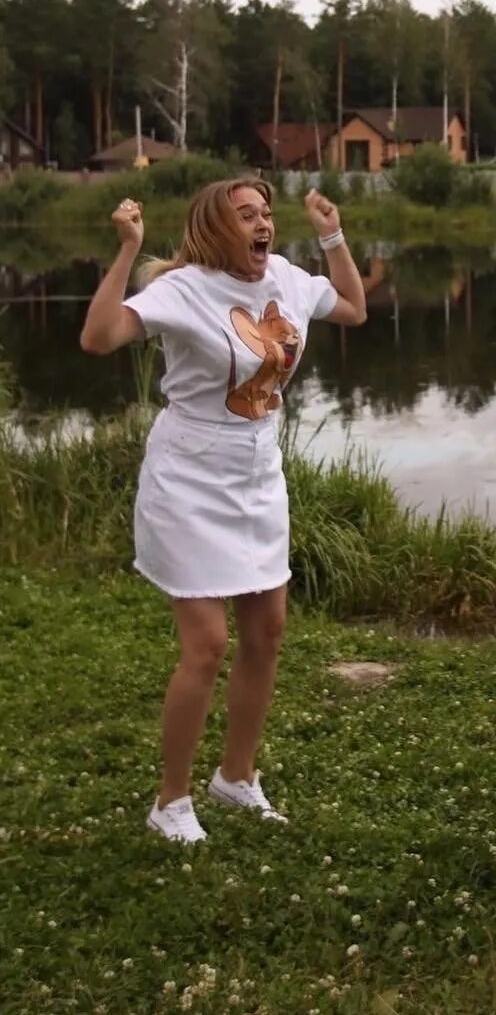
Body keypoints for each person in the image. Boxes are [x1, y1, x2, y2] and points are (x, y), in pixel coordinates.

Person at [79, 178, 367, 843]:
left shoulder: (289, 280)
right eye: (247, 215)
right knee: (206, 646)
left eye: (266, 213)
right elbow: (98, 336)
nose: (263, 223)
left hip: (259, 473)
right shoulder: (185, 290)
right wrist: (128, 250)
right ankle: (171, 801)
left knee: (266, 634)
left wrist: (332, 234)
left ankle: (236, 777)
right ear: (216, 229)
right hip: (190, 477)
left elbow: (352, 305)